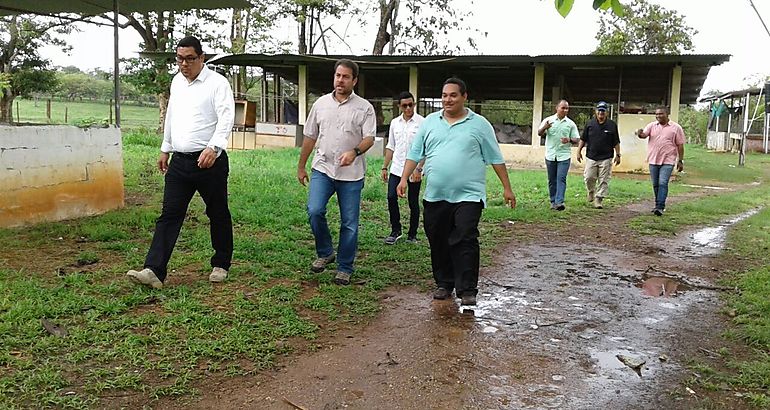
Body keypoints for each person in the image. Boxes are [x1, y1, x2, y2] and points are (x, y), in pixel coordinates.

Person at [127, 36, 235, 288]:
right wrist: (166, 148)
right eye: (179, 59)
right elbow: (172, 116)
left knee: (217, 212)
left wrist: (214, 147)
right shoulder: (177, 81)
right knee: (169, 214)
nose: (184, 64)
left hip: (210, 161)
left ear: (202, 58)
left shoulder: (217, 83)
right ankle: (153, 270)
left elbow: (226, 117)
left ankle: (221, 264)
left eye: (189, 59)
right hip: (180, 162)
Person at [398, 77, 516, 306]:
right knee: (438, 238)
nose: (447, 99)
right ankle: (444, 282)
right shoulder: (430, 122)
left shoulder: (480, 124)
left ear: (464, 97)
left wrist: (507, 188)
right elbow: (414, 152)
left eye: (453, 95)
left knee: (465, 237)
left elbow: (495, 158)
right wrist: (404, 178)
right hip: (435, 194)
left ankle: (467, 289)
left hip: (469, 195)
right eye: (444, 95)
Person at [297, 59, 376, 286]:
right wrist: (301, 165)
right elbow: (310, 135)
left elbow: (370, 137)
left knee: (349, 222)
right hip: (322, 168)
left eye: (345, 77)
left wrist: (355, 151)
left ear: (354, 80)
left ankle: (344, 266)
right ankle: (325, 252)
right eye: (337, 76)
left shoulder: (364, 108)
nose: (340, 80)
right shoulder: (321, 104)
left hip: (351, 174)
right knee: (314, 210)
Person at [381, 91, 425, 245]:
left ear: (414, 104)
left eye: (411, 105)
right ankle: (395, 230)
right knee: (391, 198)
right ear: (399, 106)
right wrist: (385, 167)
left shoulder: (422, 122)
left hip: (414, 170)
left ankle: (412, 235)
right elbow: (391, 146)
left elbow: (425, 149)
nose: (408, 108)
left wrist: (419, 168)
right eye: (404, 105)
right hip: (397, 168)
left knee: (413, 202)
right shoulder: (394, 123)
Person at [637, 106, 685, 216]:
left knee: (663, 183)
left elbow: (680, 145)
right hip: (653, 159)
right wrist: (640, 133)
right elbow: (644, 135)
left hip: (668, 160)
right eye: (657, 114)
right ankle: (657, 204)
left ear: (667, 114)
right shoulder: (651, 126)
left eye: (661, 114)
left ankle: (660, 206)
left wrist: (680, 160)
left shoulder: (676, 128)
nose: (658, 116)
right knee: (655, 184)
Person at [576, 101, 621, 209]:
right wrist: (578, 151)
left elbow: (616, 142)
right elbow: (583, 139)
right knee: (589, 177)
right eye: (599, 110)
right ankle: (591, 191)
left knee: (604, 179)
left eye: (603, 111)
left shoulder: (612, 125)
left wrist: (618, 155)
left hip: (606, 157)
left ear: (606, 112)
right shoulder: (590, 124)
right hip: (591, 156)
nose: (601, 113)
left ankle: (599, 199)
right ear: (596, 112)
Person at [538, 100, 580, 211]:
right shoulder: (548, 120)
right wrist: (544, 128)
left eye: (567, 108)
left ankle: (559, 202)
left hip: (564, 156)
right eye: (563, 108)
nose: (565, 110)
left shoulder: (570, 124)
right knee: (552, 180)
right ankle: (552, 201)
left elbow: (577, 139)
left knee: (561, 178)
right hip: (551, 155)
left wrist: (569, 139)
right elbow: (539, 133)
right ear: (557, 108)